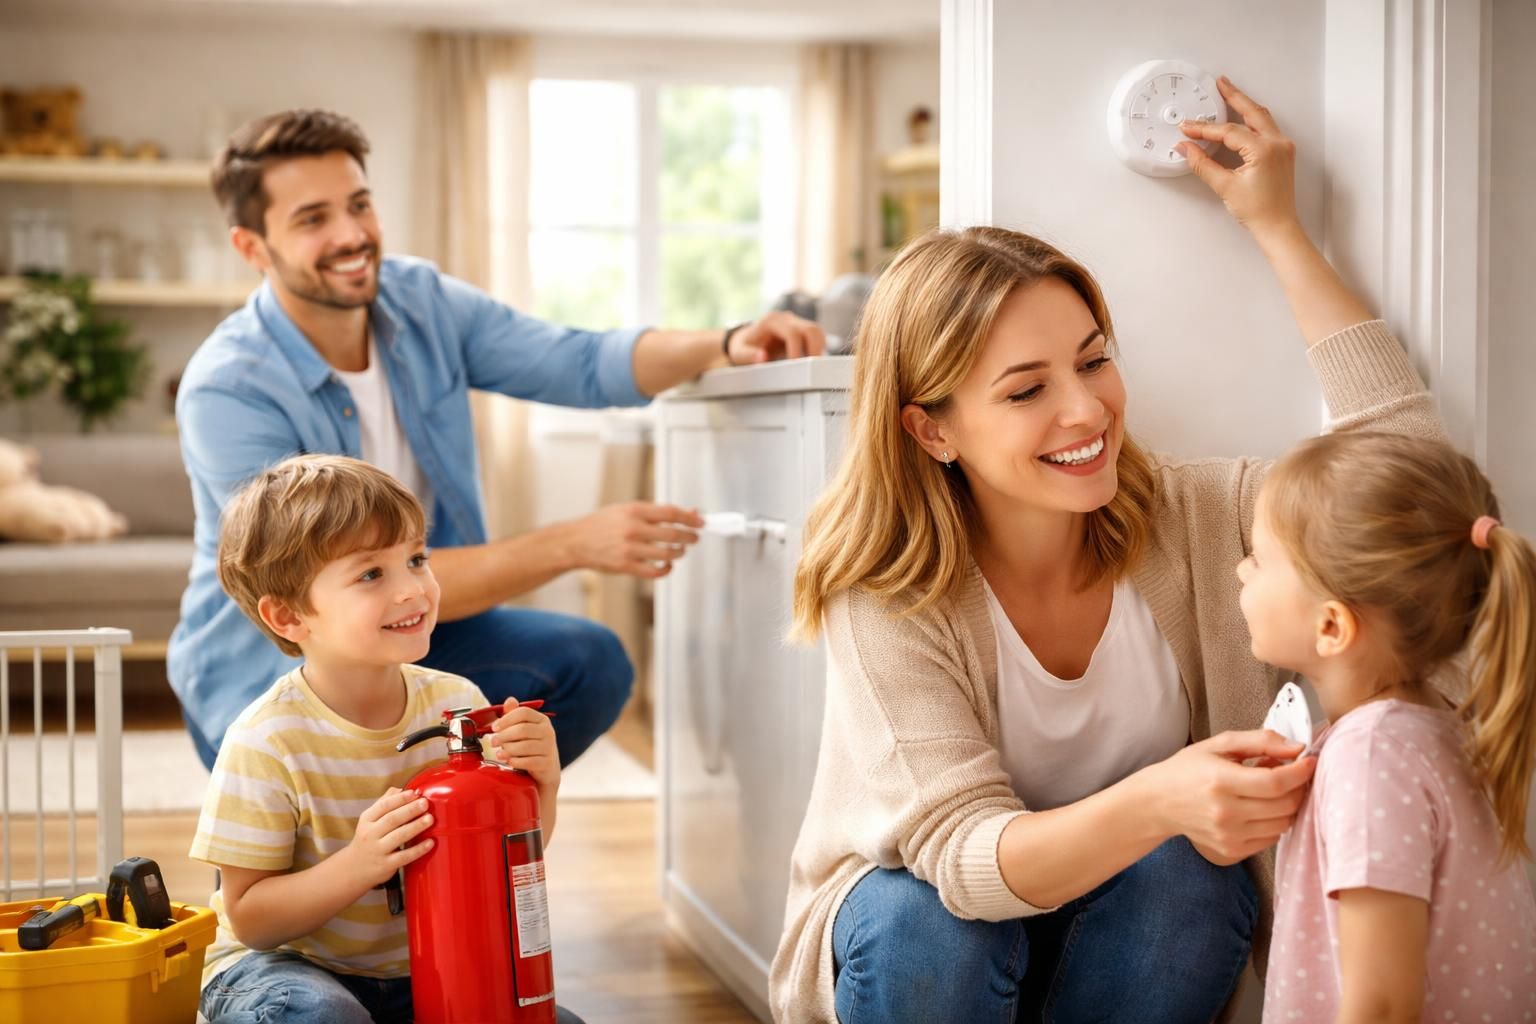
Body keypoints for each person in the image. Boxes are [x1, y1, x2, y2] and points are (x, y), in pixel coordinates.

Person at [769, 77, 1444, 1023]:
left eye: (1092, 360)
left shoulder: (1204, 517)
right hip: (932, 939)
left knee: (1193, 880)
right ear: (932, 433)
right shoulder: (884, 591)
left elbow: (1407, 497)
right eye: (1024, 390)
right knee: (930, 920)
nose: (1086, 411)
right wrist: (1162, 796)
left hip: (1131, 929)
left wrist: (1280, 230)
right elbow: (964, 863)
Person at [170, 108, 825, 770]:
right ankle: (405, 828)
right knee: (337, 832)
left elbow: (580, 362)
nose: (352, 234)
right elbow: (325, 585)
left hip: (404, 634)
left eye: (360, 205)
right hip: (276, 672)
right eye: (313, 219)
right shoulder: (230, 389)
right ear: (253, 248)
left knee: (588, 664)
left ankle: (451, 831)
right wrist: (573, 543)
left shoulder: (420, 303)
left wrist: (725, 344)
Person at [191, 454, 582, 1024]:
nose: (412, 590)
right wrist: (360, 863)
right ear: (289, 617)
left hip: (423, 968)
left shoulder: (459, 702)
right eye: (372, 573)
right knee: (322, 1016)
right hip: (284, 966)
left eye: (417, 559)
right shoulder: (266, 739)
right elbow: (250, 918)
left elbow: (505, 860)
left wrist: (542, 785)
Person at [1236, 432, 1536, 1023]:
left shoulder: (1372, 757)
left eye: (1259, 558)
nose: (1241, 570)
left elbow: (1382, 1006)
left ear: (1331, 628)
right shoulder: (1432, 727)